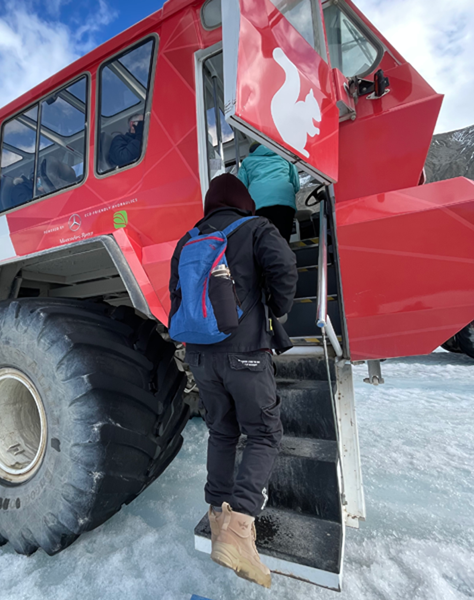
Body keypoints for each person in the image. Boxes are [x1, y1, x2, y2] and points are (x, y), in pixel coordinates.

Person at [169, 173, 297, 588]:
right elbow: (284, 269)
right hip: (245, 353)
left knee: (222, 432)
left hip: (201, 356)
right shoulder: (257, 228)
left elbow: (176, 297)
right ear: (244, 201)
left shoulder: (187, 239)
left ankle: (217, 514)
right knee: (263, 432)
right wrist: (273, 310)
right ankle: (240, 528)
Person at [237, 143, 300, 242]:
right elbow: (296, 184)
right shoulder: (285, 157)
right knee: (282, 240)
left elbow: (241, 189)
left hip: (258, 205)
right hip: (284, 203)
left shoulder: (247, 162)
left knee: (262, 242)